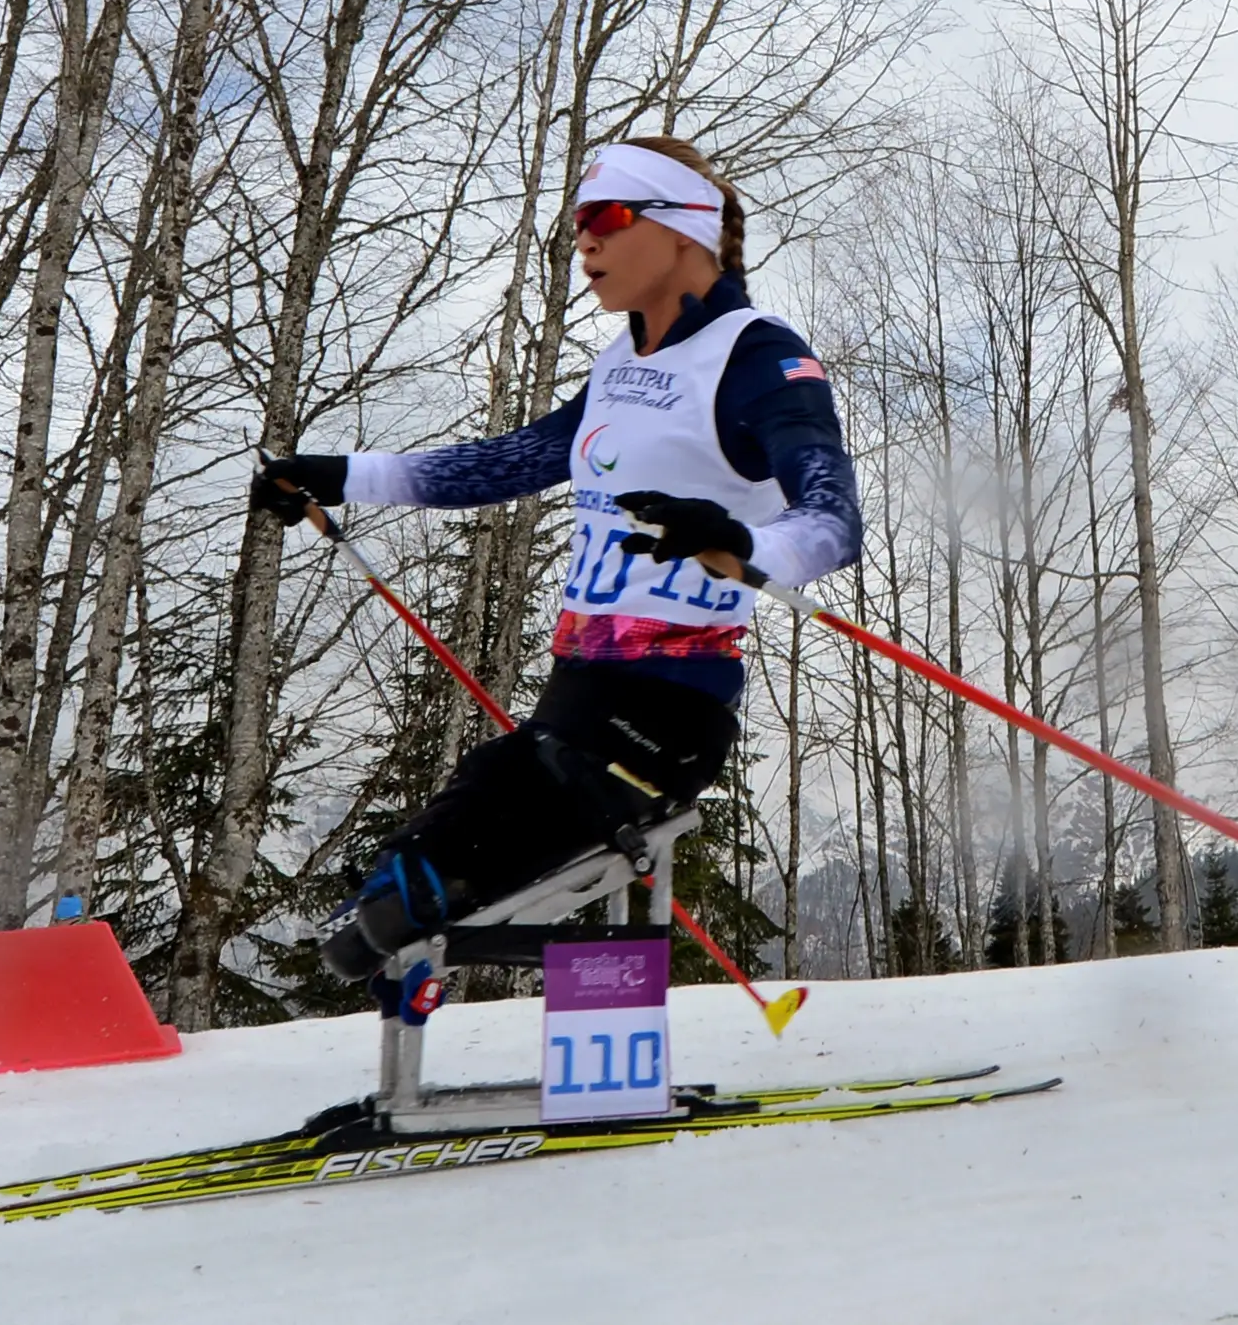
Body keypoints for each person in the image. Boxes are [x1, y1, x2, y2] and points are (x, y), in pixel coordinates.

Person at [253, 135, 862, 983]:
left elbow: (833, 518)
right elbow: (512, 460)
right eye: (577, 223)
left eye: (606, 217)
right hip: (574, 700)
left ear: (685, 228)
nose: (585, 240)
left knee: (417, 888)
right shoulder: (622, 363)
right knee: (384, 905)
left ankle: (608, 1071)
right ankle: (468, 1084)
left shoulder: (758, 357)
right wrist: (338, 474)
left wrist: (744, 543)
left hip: (665, 713)